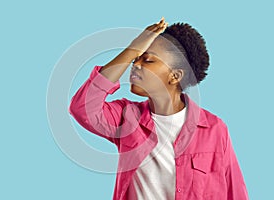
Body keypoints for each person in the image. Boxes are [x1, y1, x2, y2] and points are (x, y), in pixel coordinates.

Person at [69, 17, 249, 200]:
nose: (135, 64)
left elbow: (235, 193)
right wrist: (132, 49)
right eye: (135, 59)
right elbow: (82, 107)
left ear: (174, 76)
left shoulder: (215, 130)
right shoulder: (127, 118)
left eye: (147, 60)